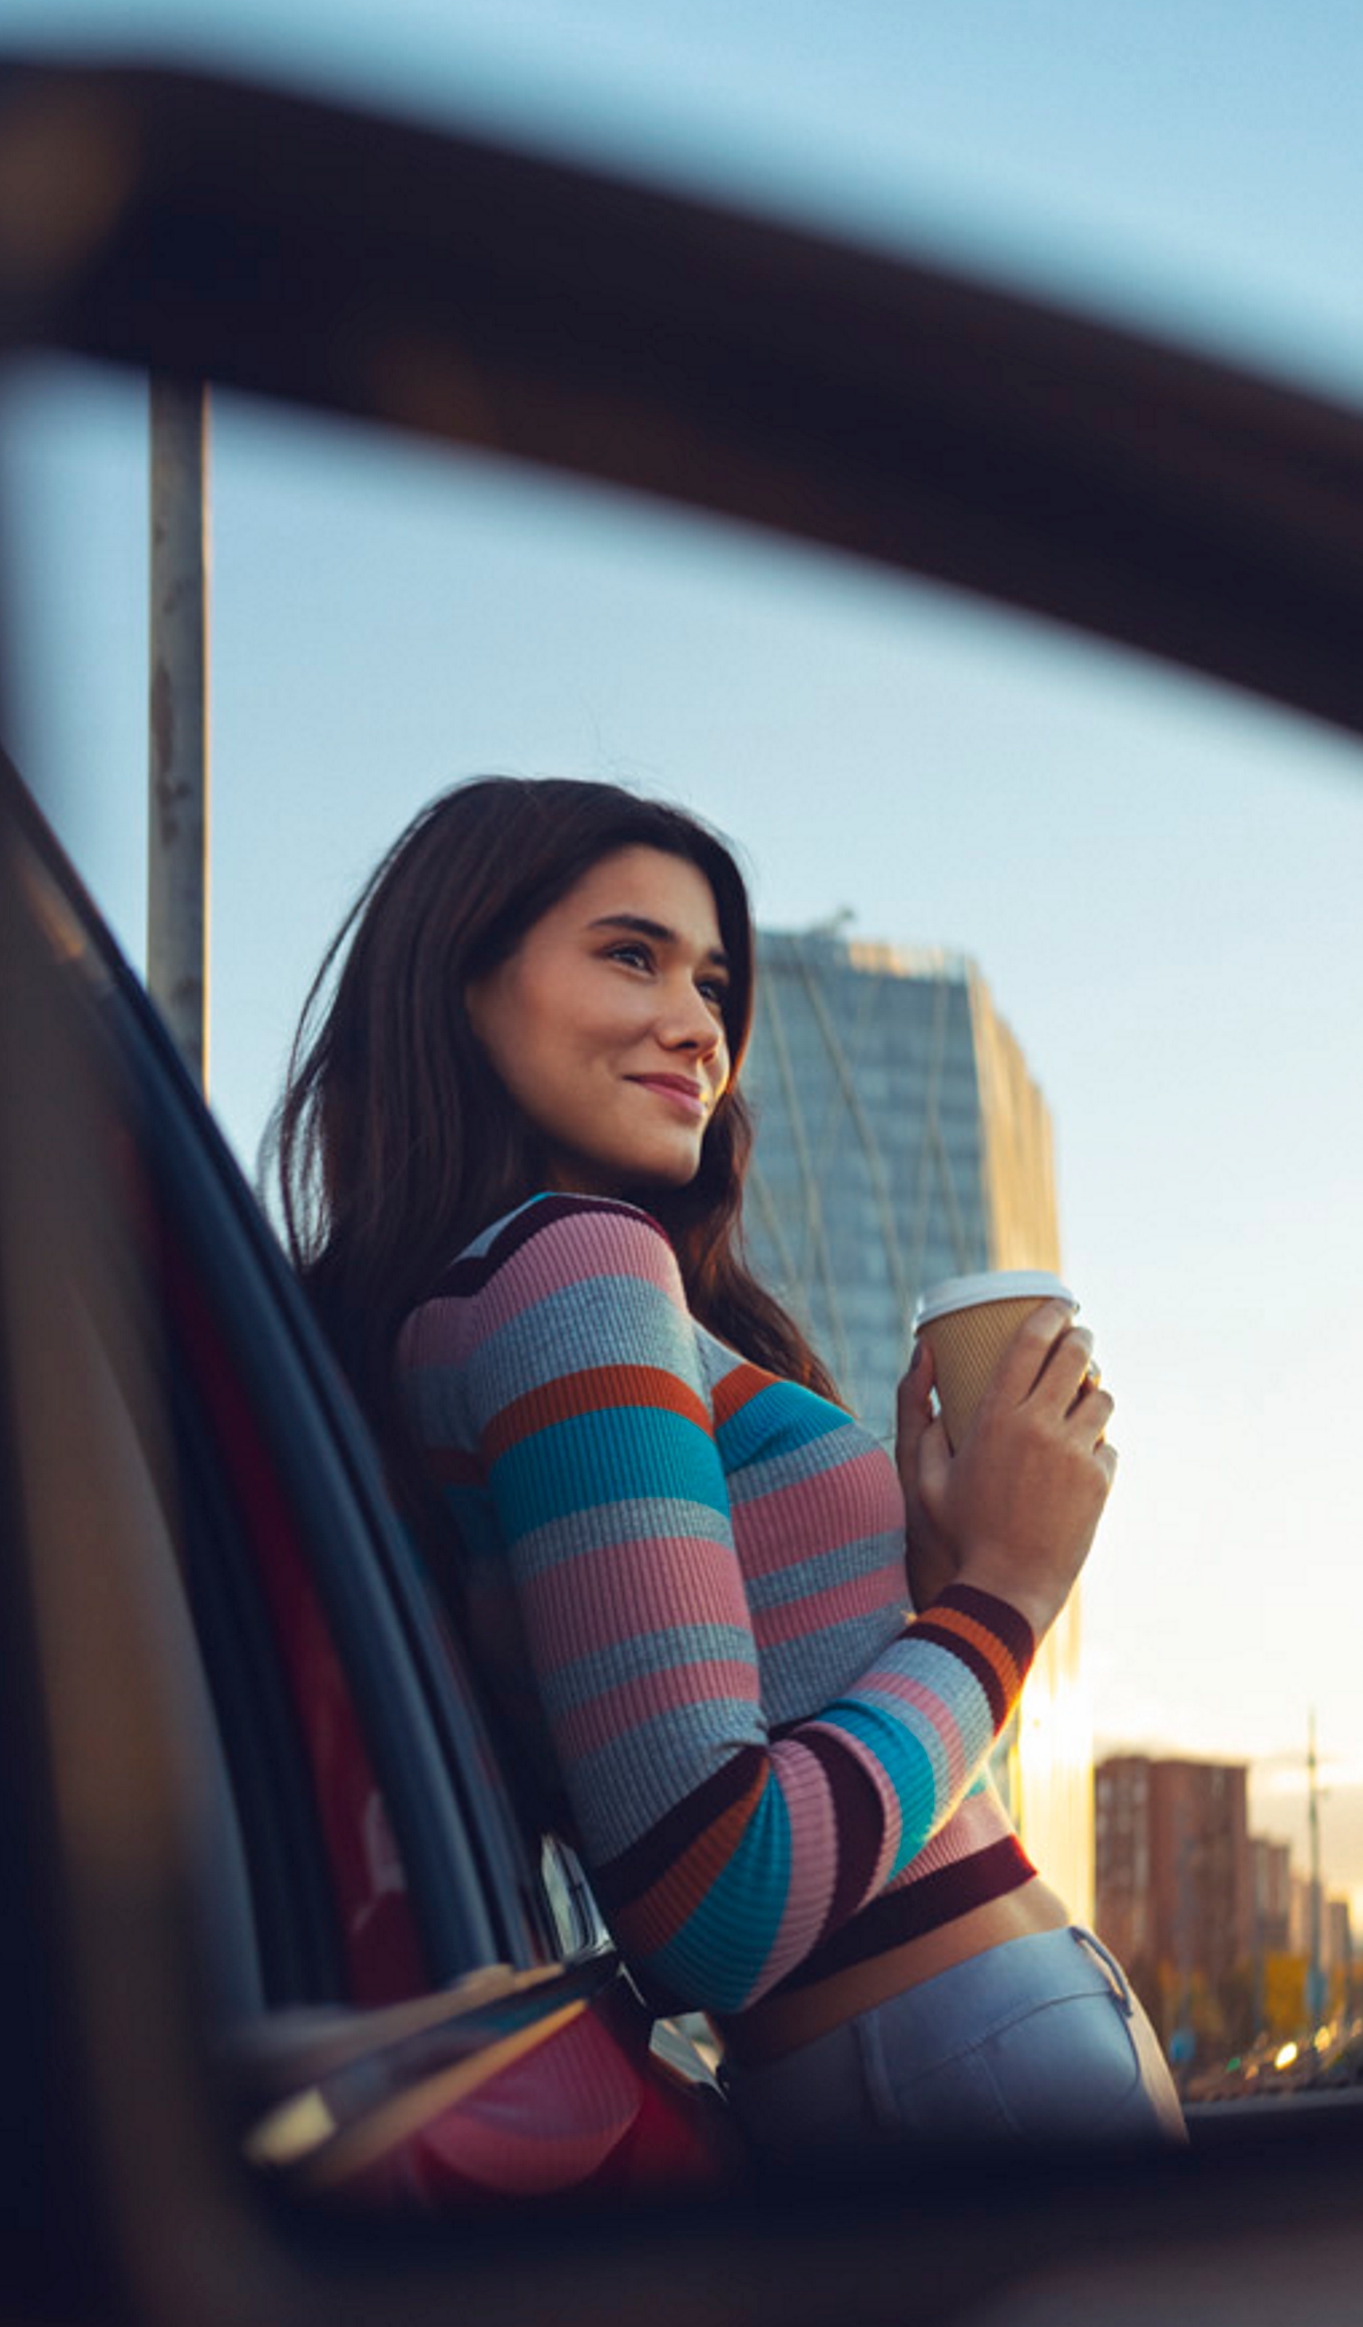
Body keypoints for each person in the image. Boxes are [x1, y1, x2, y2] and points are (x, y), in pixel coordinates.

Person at [276, 777, 1183, 2153]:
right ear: (464, 983)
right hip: (966, 2063)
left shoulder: (459, 1314)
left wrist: (932, 1585)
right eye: (629, 955)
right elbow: (718, 1902)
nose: (698, 1025)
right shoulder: (573, 1266)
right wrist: (1005, 1597)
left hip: (922, 2069)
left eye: (711, 982)